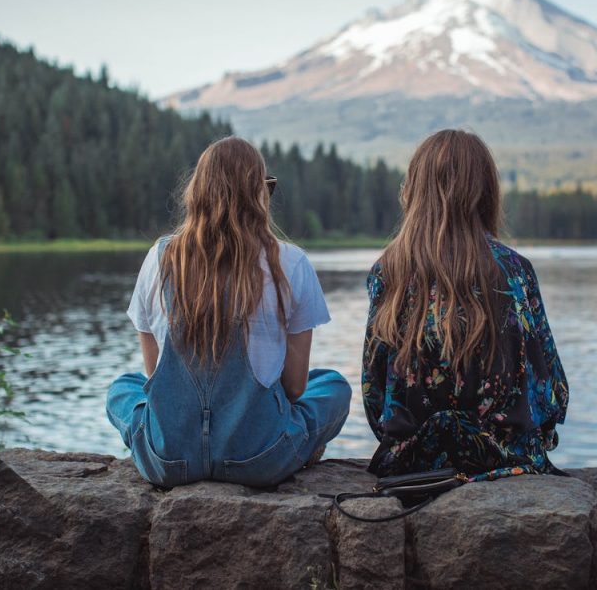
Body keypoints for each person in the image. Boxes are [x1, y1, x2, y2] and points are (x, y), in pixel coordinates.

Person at [106, 137, 351, 488]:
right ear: (259, 195)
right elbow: (295, 388)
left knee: (123, 387)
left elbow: (154, 378)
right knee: (332, 385)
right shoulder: (291, 262)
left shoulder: (160, 258)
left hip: (170, 460)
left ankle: (151, 443)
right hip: (260, 459)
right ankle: (299, 444)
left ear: (197, 193)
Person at [362, 129, 569, 480]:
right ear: (486, 193)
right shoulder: (515, 271)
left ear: (414, 190)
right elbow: (552, 393)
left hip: (413, 462)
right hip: (504, 459)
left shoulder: (388, 271)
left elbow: (374, 394)